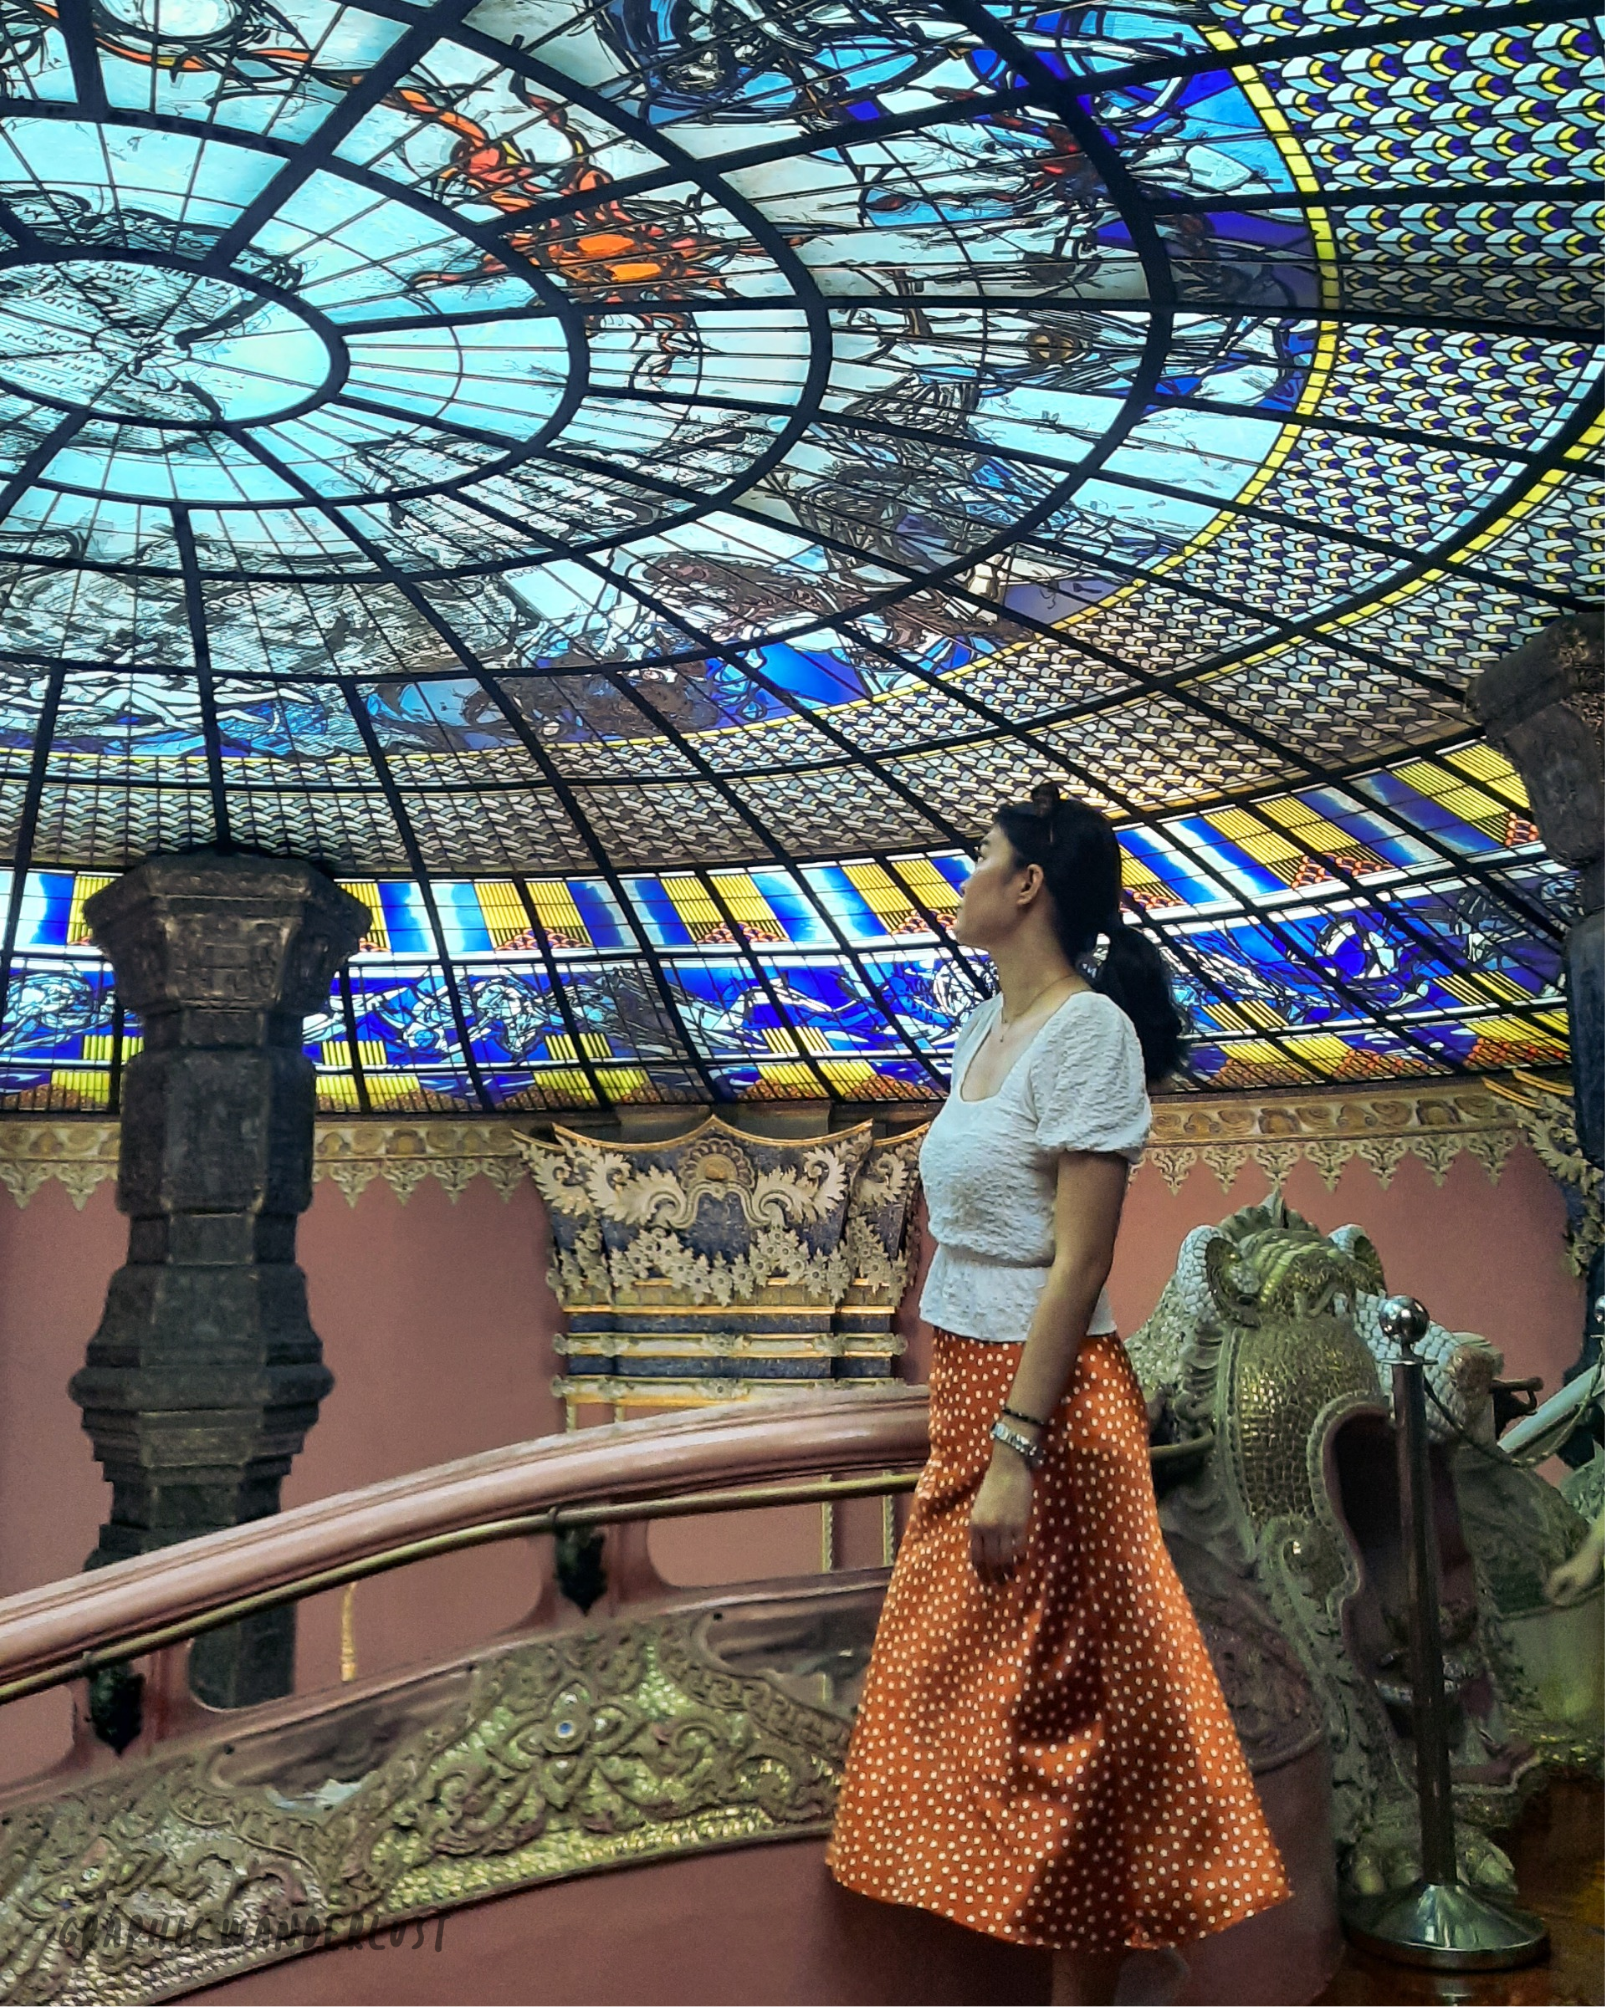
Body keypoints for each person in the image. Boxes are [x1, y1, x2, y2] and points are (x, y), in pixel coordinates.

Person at [827, 783, 1290, 2006]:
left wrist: (1017, 1449)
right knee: (967, 1696)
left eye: (978, 857)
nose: (959, 878)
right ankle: (1102, 1960)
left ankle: (1090, 1991)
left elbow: (1079, 1262)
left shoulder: (1090, 1034)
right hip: (970, 1390)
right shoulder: (987, 1026)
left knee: (1069, 1712)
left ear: (1028, 884)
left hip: (1051, 1405)